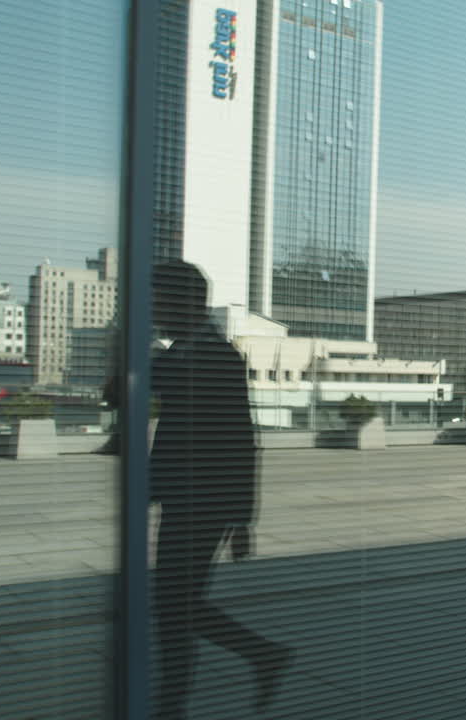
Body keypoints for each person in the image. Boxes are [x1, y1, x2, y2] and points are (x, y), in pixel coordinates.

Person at [150, 260, 292, 718]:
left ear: (183, 302)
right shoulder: (184, 352)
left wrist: (242, 519)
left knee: (174, 606)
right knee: (176, 605)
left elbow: (239, 438)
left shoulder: (213, 355)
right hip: (188, 499)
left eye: (159, 300)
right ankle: (256, 659)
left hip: (202, 502)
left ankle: (180, 699)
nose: (154, 309)